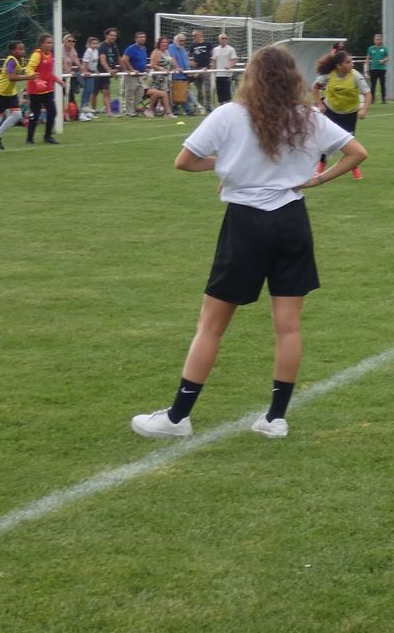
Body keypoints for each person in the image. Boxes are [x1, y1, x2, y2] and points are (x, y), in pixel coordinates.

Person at [130, 44, 368, 440]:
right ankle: (276, 418)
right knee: (288, 327)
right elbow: (357, 152)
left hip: (246, 224)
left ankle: (177, 417)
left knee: (211, 325)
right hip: (292, 221)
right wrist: (316, 180)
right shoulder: (309, 117)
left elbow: (184, 161)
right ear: (291, 78)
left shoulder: (229, 114)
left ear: (252, 77)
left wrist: (227, 165)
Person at [313, 48, 369, 180]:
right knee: (326, 139)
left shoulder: (355, 75)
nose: (352, 64)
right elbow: (315, 87)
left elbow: (367, 93)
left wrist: (364, 109)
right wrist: (320, 104)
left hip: (350, 113)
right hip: (332, 111)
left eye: (351, 62)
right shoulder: (329, 75)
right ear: (339, 65)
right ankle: (320, 166)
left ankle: (354, 167)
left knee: (349, 142)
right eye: (348, 62)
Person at [23, 33, 60, 145]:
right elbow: (29, 69)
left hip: (48, 89)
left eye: (51, 43)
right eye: (48, 43)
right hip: (35, 90)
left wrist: (58, 80)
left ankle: (48, 137)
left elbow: (49, 73)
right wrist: (37, 80)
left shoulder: (50, 55)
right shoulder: (36, 55)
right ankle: (29, 138)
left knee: (53, 112)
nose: (51, 45)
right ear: (41, 44)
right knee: (35, 114)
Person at [120, 31, 151, 118]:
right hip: (132, 75)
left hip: (140, 75)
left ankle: (134, 110)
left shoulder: (144, 48)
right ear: (136, 39)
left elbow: (142, 60)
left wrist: (145, 68)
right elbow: (124, 59)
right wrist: (131, 70)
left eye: (144, 37)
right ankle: (129, 112)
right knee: (130, 93)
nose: (142, 39)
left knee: (140, 92)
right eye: (140, 37)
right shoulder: (131, 48)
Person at [165, 33, 195, 115]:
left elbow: (186, 60)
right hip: (176, 75)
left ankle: (177, 110)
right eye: (181, 41)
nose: (182, 42)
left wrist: (192, 67)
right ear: (176, 41)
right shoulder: (171, 48)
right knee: (180, 93)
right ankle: (188, 110)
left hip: (184, 74)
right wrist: (177, 67)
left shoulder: (183, 49)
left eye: (184, 41)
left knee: (182, 93)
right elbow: (172, 59)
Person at [93, 28, 120, 115]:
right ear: (106, 35)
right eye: (111, 35)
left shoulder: (114, 46)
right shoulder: (102, 46)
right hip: (98, 73)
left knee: (106, 92)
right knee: (94, 93)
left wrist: (120, 69)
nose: (113, 37)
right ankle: (93, 111)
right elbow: (102, 61)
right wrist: (110, 70)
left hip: (106, 74)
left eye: (115, 36)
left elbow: (118, 58)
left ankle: (109, 112)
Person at [189, 29, 215, 114]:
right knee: (198, 89)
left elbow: (213, 55)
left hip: (206, 68)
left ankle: (208, 107)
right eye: (192, 35)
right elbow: (188, 57)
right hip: (197, 69)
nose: (193, 37)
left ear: (200, 35)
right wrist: (191, 63)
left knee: (208, 89)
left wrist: (212, 66)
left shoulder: (208, 44)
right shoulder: (192, 45)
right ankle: (200, 107)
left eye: (195, 35)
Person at [210, 33, 239, 106]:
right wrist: (212, 70)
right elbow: (214, 61)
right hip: (218, 74)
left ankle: (228, 106)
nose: (224, 40)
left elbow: (234, 60)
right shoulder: (215, 49)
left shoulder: (231, 49)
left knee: (227, 93)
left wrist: (229, 66)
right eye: (222, 38)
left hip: (227, 75)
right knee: (219, 93)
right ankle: (221, 106)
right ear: (219, 40)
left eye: (226, 38)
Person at [80, 34, 103, 119]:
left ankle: (87, 111)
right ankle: (82, 112)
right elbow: (85, 62)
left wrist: (96, 70)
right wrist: (85, 71)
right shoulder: (89, 51)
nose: (95, 45)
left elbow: (94, 62)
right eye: (93, 43)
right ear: (89, 44)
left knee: (90, 91)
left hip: (92, 72)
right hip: (88, 72)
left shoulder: (96, 51)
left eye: (96, 43)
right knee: (87, 91)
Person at [366, 33, 390, 104]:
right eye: (376, 39)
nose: (378, 41)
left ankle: (384, 99)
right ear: (374, 40)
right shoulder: (371, 48)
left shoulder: (384, 48)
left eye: (379, 39)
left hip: (382, 69)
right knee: (373, 85)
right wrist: (367, 68)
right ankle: (372, 99)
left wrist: (383, 60)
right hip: (373, 68)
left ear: (381, 40)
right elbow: (368, 58)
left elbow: (387, 57)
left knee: (382, 84)